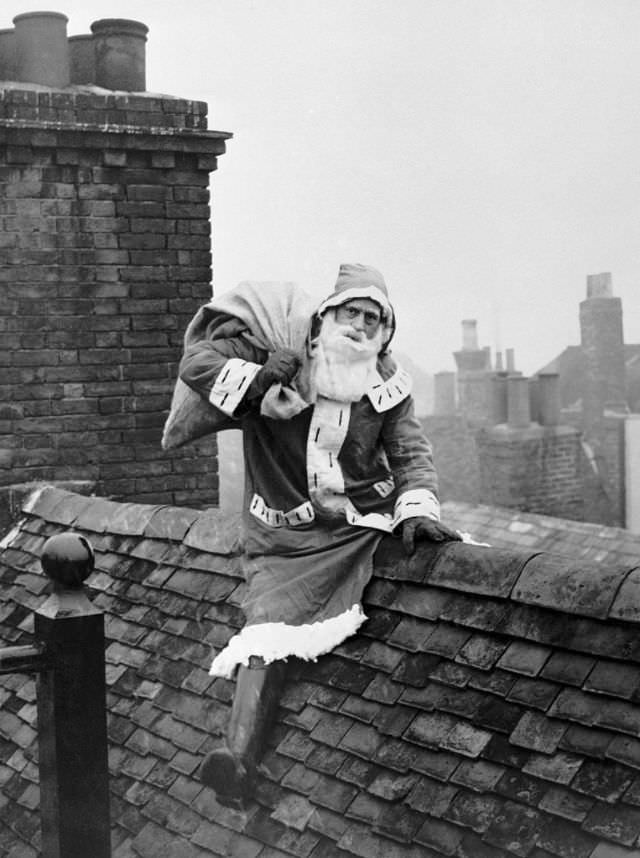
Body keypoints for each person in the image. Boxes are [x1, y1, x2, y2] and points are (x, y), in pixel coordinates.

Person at [176, 263, 460, 807]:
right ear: (326, 316)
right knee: (266, 626)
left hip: (359, 524)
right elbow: (196, 363)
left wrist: (415, 509)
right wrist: (259, 378)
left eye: (371, 320)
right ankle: (236, 757)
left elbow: (410, 453)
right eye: (349, 312)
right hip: (284, 537)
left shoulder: (386, 384)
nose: (357, 326)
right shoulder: (277, 349)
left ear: (383, 335)